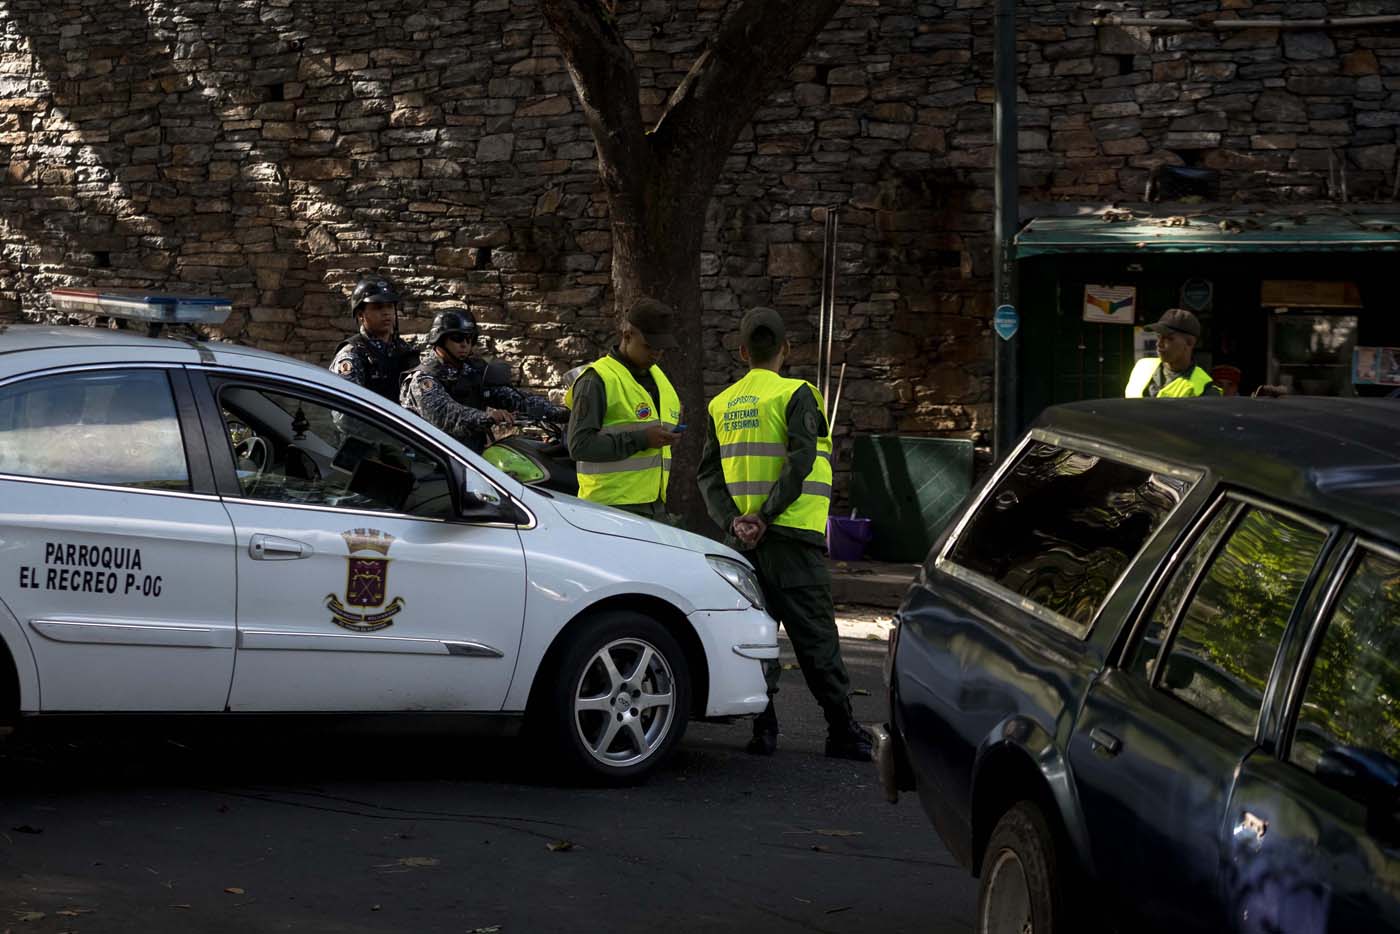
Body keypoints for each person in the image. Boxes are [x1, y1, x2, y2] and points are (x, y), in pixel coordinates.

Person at [696, 306, 872, 762]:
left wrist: (735, 522)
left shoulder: (721, 404)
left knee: (756, 637)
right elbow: (801, 461)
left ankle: (764, 728)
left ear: (740, 352)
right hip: (792, 540)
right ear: (786, 350)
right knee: (815, 638)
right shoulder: (798, 393)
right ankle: (842, 730)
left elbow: (708, 475)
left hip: (741, 544)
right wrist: (768, 515)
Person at [565, 298, 682, 522]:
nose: (656, 354)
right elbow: (579, 446)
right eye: (649, 346)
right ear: (627, 336)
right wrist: (641, 439)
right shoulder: (596, 380)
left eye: (661, 348)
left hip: (653, 505)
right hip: (608, 510)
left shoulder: (659, 378)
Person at [401, 309, 569, 454]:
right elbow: (445, 415)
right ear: (439, 339)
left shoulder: (472, 371)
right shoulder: (424, 378)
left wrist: (562, 412)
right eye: (458, 338)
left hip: (469, 457)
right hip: (432, 463)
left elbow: (512, 396)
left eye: (470, 339)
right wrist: (486, 417)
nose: (465, 345)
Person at [330, 274, 419, 402]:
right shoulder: (352, 355)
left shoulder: (404, 350)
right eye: (378, 307)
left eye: (389, 306)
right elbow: (345, 413)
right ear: (361, 315)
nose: (386, 313)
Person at [1124, 308, 1222, 398]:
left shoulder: (1205, 389)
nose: (1159, 344)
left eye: (1169, 338)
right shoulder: (1143, 366)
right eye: (1158, 336)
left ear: (1190, 343)